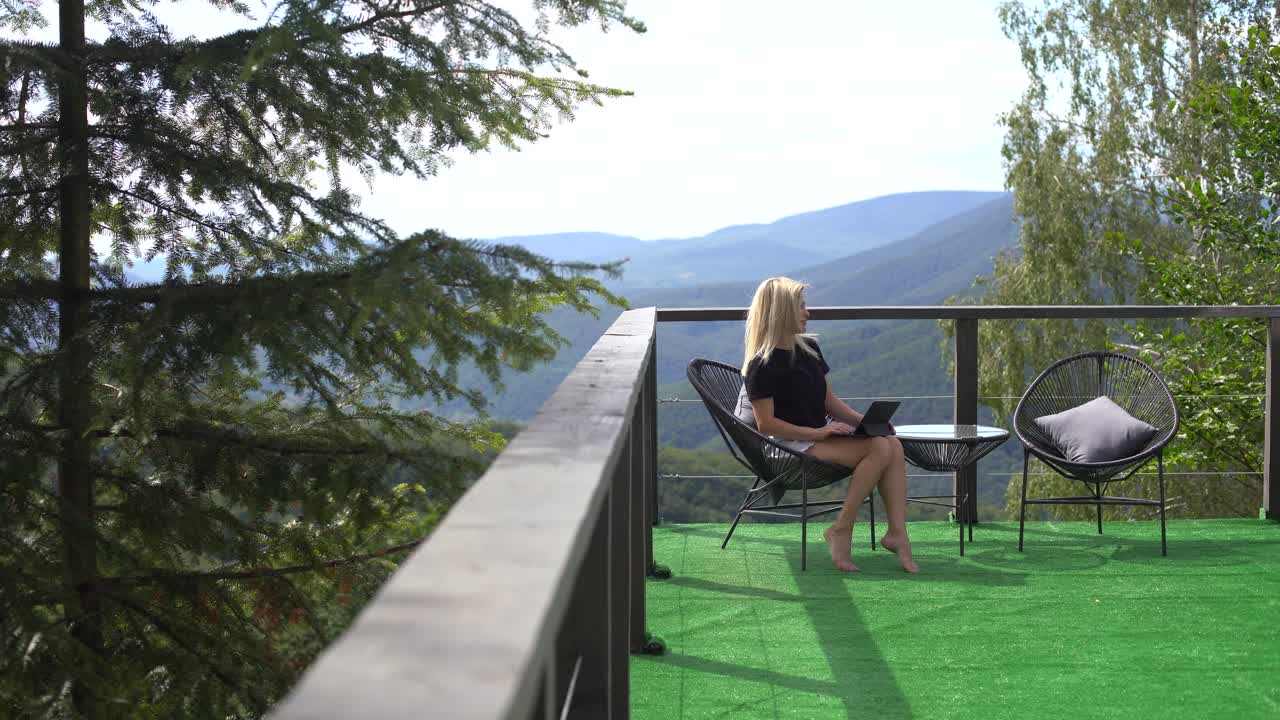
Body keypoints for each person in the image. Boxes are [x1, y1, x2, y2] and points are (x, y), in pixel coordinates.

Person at [740, 276, 918, 573]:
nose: (807, 312)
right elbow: (766, 424)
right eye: (800, 306)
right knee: (878, 449)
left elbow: (830, 403)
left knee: (892, 444)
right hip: (787, 446)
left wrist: (868, 422)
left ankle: (897, 533)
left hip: (819, 437)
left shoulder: (809, 350)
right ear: (781, 311)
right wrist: (818, 433)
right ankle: (841, 530)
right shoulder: (762, 365)